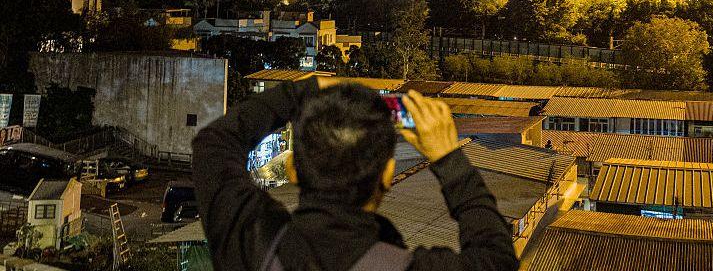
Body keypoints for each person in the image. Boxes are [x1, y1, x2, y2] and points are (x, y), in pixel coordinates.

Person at [192, 77, 518, 271]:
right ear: (388, 174)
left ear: (292, 170)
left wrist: (308, 91)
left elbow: (213, 143)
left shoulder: (250, 243)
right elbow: (497, 258)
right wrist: (449, 160)